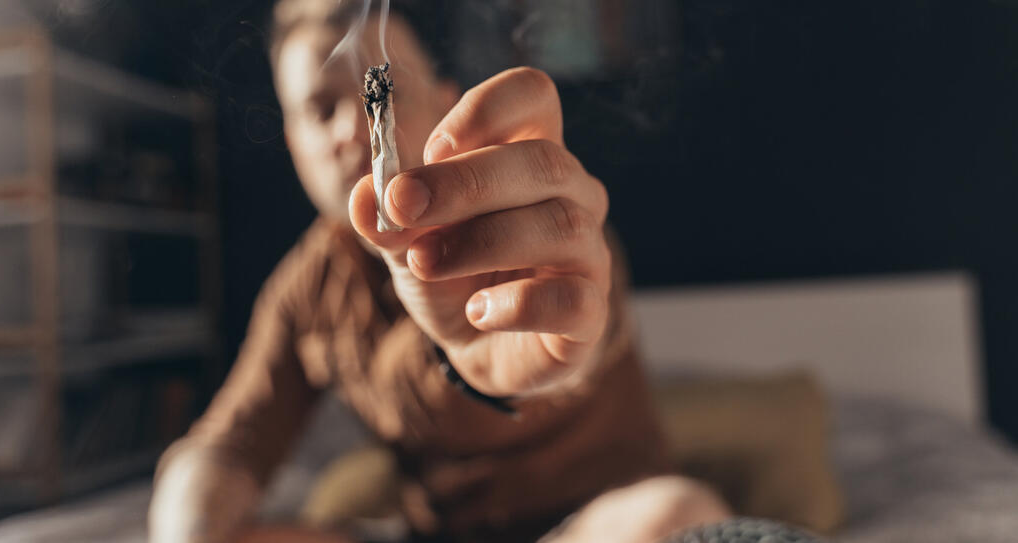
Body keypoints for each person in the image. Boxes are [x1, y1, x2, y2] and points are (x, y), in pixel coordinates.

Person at [149, 1, 731, 542]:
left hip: (600, 520)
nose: (352, 128)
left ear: (444, 100)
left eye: (383, 92)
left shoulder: (537, 217)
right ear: (292, 142)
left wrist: (553, 344)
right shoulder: (305, 289)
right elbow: (229, 445)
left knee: (680, 515)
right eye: (319, 109)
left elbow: (591, 335)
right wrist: (191, 515)